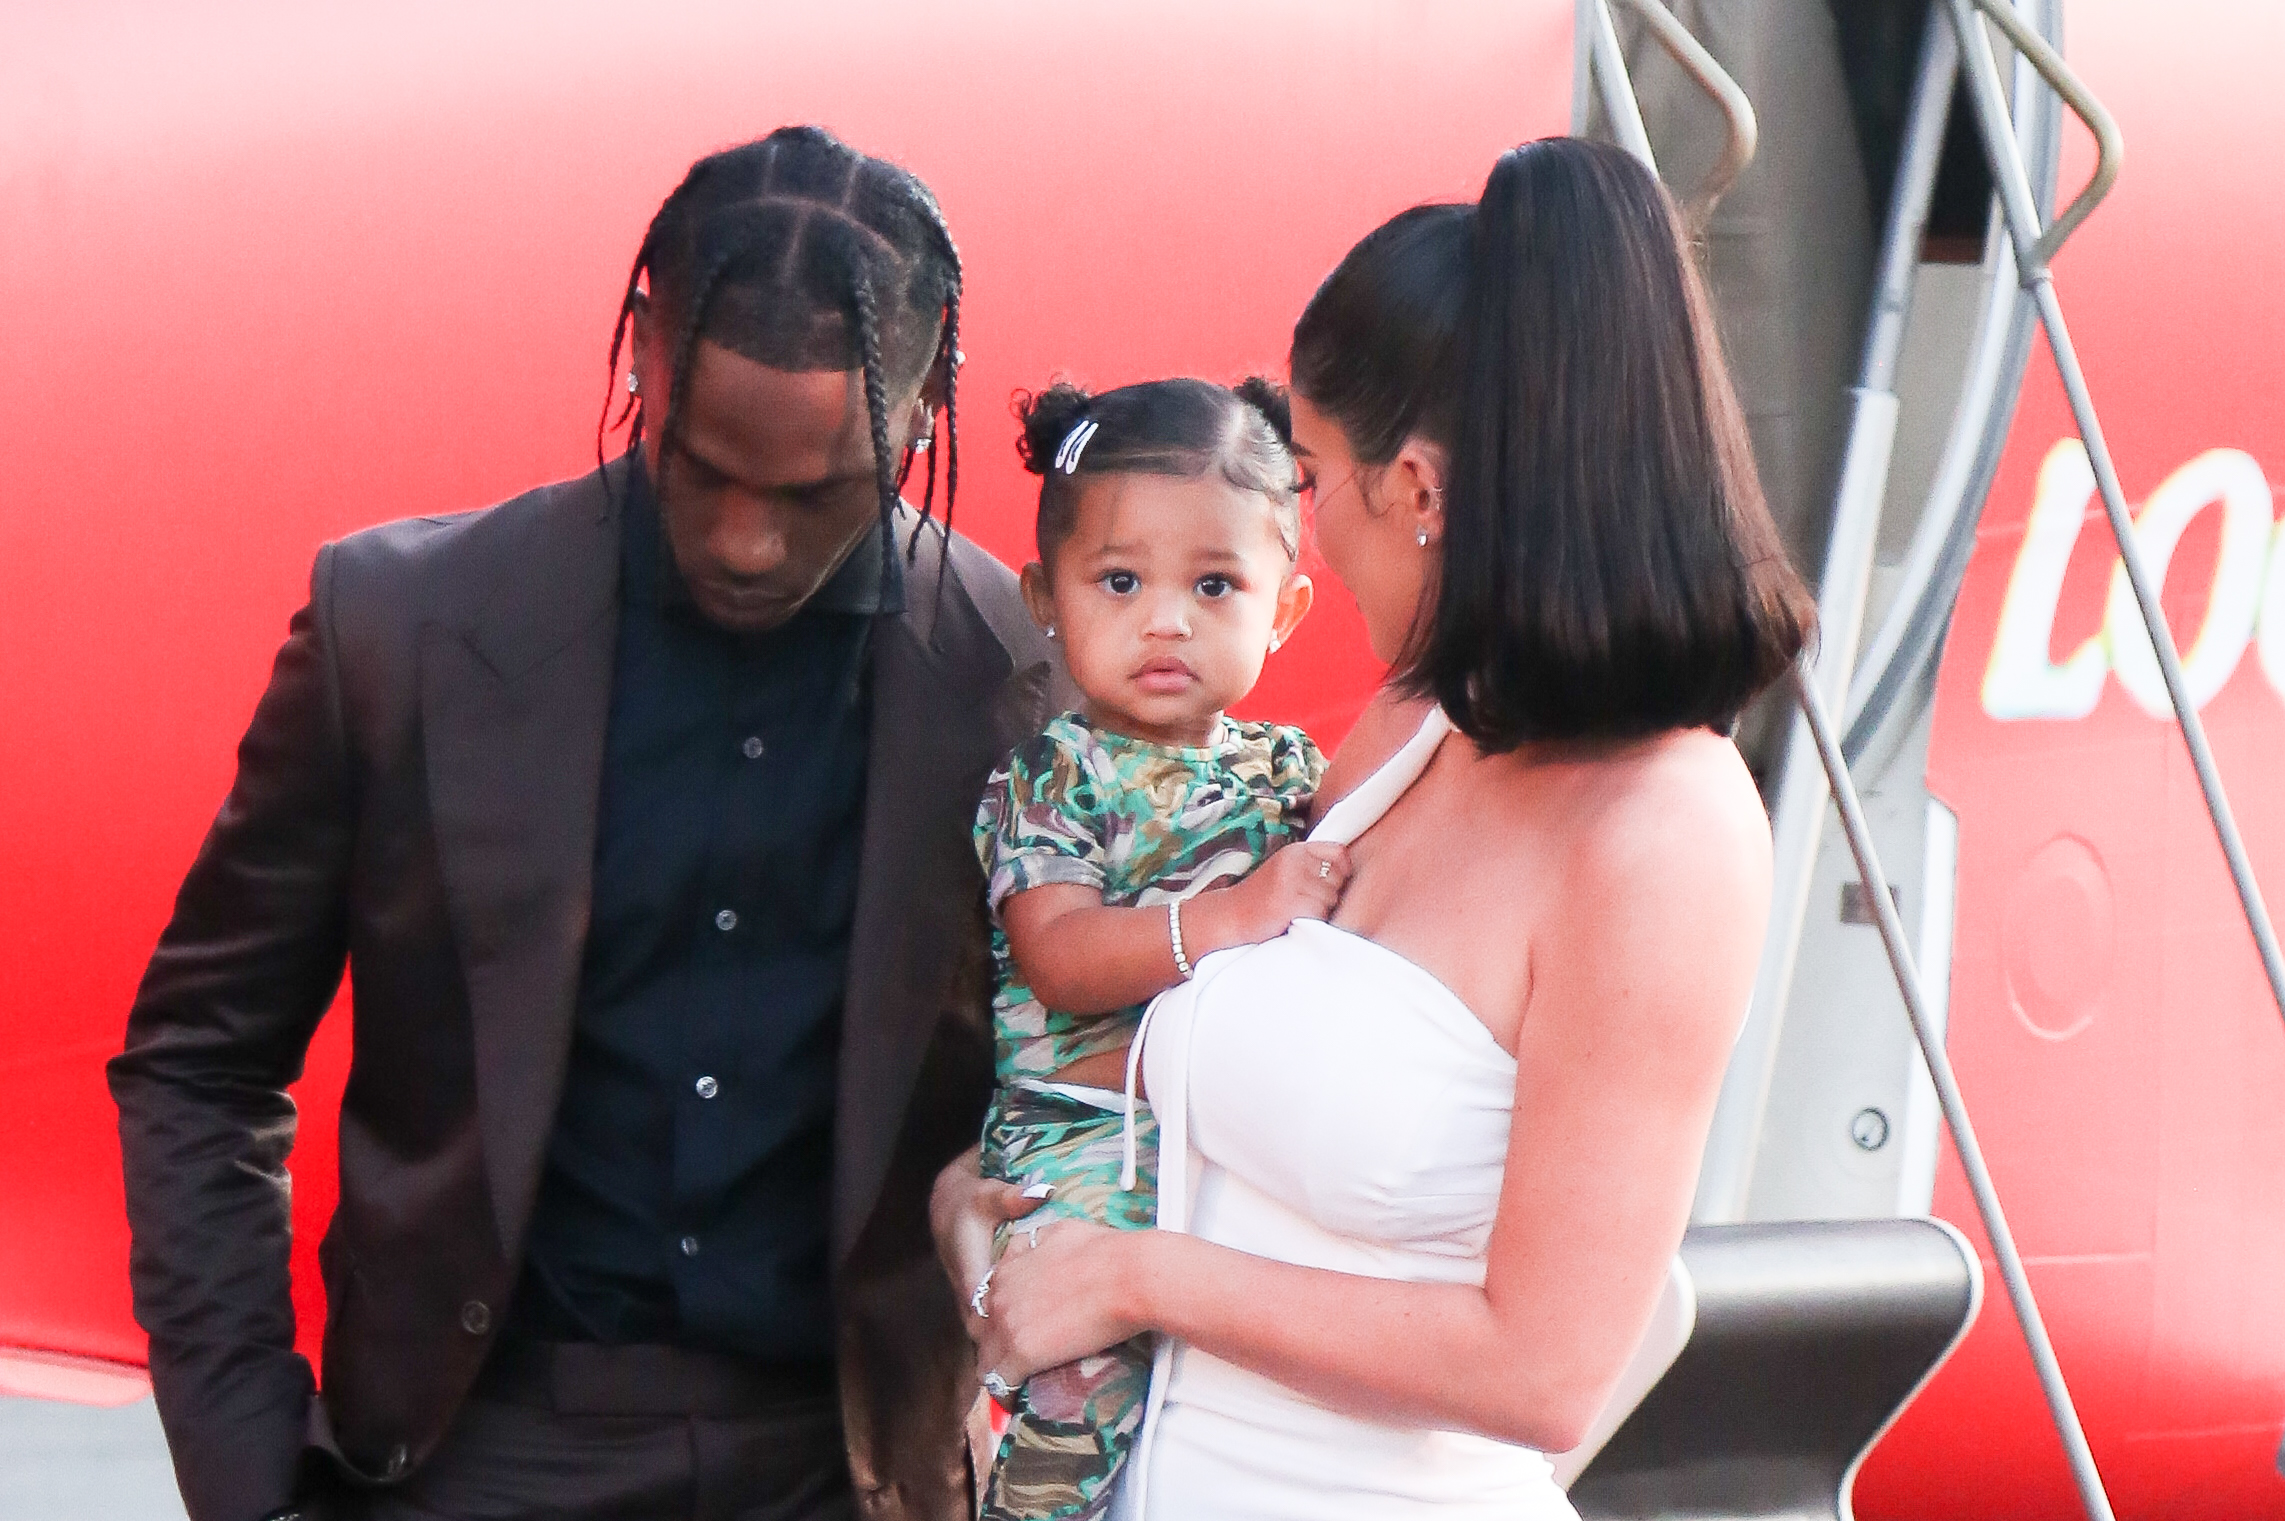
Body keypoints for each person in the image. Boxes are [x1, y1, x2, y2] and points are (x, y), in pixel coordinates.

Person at [109, 125, 1063, 1521]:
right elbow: (201, 1063)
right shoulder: (400, 626)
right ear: (642, 350)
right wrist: (251, 1476)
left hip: (848, 1472)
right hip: (463, 1458)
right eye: (700, 465)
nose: (745, 539)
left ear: (927, 409)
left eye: (817, 495)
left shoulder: (1020, 682)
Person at [936, 137, 1814, 1518]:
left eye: (1309, 479)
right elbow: (1193, 1058)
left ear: (1416, 490)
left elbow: (1544, 1369)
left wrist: (1136, 1278)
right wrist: (987, 1193)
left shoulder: (1665, 832)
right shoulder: (1410, 728)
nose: (1308, 539)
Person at [970, 377, 1341, 1521]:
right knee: (1084, 1387)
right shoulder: (1053, 776)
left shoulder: (1289, 771)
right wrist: (1225, 919)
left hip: (1229, 1144)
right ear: (1045, 597)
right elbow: (1059, 953)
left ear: (1283, 611)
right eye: (1120, 582)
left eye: (1214, 585)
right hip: (1082, 1141)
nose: (1166, 621)